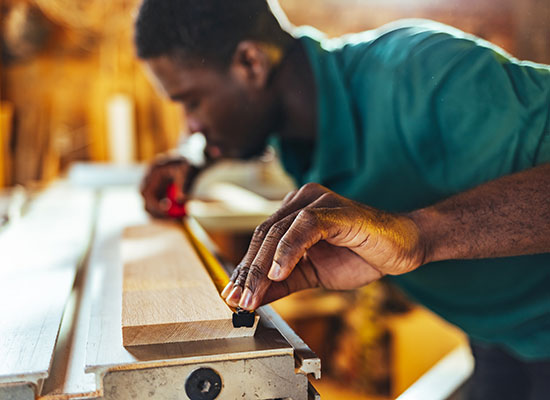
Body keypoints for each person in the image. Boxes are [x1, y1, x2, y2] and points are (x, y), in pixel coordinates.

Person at [135, 0, 550, 398]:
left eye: (192, 101)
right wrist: (196, 158)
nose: (190, 126)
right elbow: (231, 133)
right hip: (495, 336)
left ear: (251, 63)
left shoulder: (424, 71)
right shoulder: (291, 129)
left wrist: (419, 234)